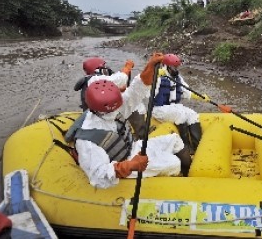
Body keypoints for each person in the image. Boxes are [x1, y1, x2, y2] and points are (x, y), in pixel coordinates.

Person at [69, 53, 192, 189]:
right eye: (114, 108)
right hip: (123, 162)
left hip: (133, 148)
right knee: (174, 163)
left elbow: (134, 93)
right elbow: (99, 176)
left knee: (174, 139)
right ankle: (177, 184)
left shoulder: (110, 110)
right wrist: (129, 165)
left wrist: (149, 69)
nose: (118, 110)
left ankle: (189, 174)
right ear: (101, 109)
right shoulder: (87, 141)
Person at [74, 57, 146, 139]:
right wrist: (127, 68)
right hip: (102, 114)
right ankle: (141, 135)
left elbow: (109, 88)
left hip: (95, 112)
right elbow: (121, 79)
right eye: (104, 66)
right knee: (136, 106)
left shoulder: (89, 81)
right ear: (97, 69)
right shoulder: (96, 79)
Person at [153, 53, 210, 153]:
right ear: (166, 66)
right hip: (159, 109)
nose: (176, 69)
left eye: (176, 67)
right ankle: (186, 147)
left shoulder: (177, 77)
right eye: (173, 67)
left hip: (173, 107)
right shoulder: (157, 77)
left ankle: (197, 147)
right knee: (180, 115)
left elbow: (186, 91)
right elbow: (147, 91)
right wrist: (154, 76)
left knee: (193, 115)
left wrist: (200, 97)